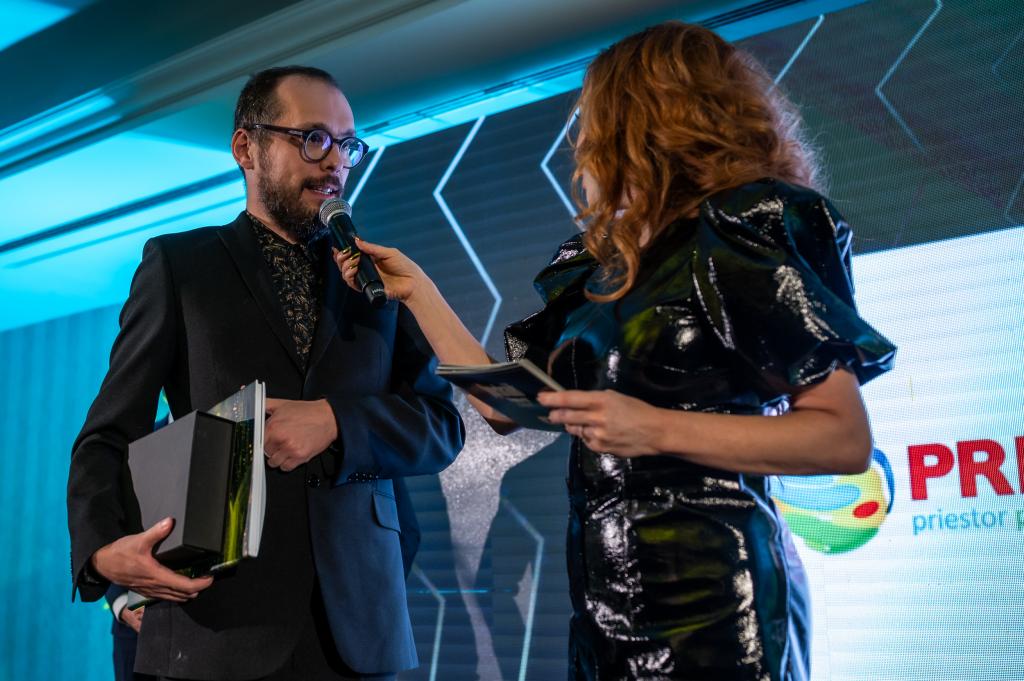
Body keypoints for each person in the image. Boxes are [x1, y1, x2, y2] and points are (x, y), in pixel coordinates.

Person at [333, 22, 896, 680]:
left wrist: (650, 426)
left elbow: (841, 437)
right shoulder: (601, 265)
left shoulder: (741, 224)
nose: (583, 138)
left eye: (595, 115)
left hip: (712, 605)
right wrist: (417, 292)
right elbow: (507, 404)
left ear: (646, 117)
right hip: (603, 610)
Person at [67, 65, 465, 681]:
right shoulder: (180, 265)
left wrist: (336, 421)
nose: (335, 161)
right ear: (246, 148)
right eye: (313, 138)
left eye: (348, 145)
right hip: (216, 622)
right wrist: (101, 552)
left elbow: (442, 425)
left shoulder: (380, 278)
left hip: (358, 630)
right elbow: (109, 433)